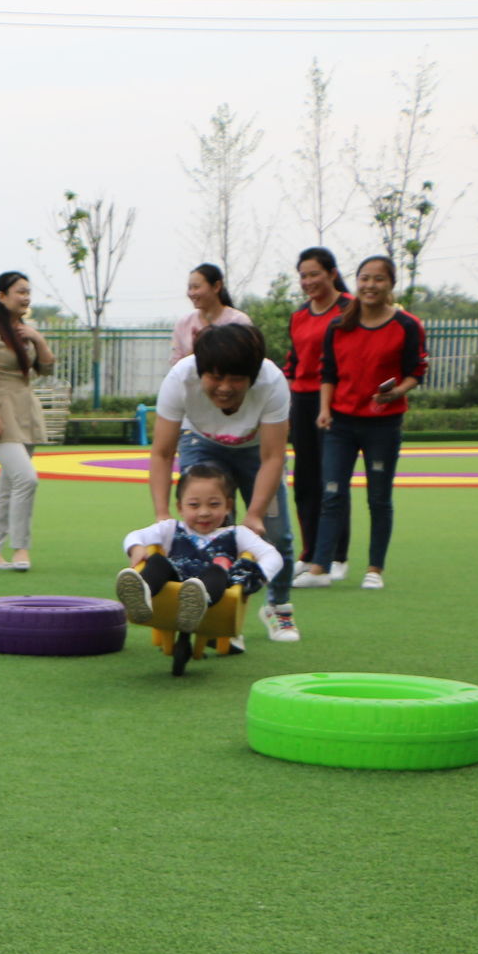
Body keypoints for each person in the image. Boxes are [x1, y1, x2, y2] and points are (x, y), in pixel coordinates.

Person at [147, 322, 299, 643]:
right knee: (209, 529)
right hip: (201, 442)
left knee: (277, 533)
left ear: (253, 376)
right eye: (215, 377)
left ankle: (278, 607)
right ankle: (219, 614)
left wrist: (255, 514)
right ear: (201, 370)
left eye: (236, 379)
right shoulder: (180, 379)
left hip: (256, 449)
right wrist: (162, 511)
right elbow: (161, 453)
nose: (225, 387)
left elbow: (273, 457)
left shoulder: (272, 382)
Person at [302, 254, 425, 591]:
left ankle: (374, 568)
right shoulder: (339, 325)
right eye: (365, 278)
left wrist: (396, 391)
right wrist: (324, 410)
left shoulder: (407, 325)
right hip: (340, 423)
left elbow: (416, 371)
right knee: (332, 494)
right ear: (356, 282)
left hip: (383, 425)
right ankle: (320, 568)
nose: (370, 286)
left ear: (390, 284)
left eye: (378, 279)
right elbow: (328, 372)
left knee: (378, 497)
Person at [116, 462, 284, 676]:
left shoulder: (238, 534)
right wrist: (136, 548)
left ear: (228, 506)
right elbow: (135, 536)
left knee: (217, 571)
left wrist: (254, 576)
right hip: (175, 581)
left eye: (214, 505)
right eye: (194, 505)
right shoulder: (171, 528)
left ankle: (197, 600)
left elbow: (272, 555)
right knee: (158, 562)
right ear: (180, 507)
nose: (204, 513)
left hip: (212, 593)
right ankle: (142, 595)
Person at [0, 271, 55, 571]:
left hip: (25, 413)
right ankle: (20, 548)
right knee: (26, 479)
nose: (26, 296)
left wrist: (38, 339)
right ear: (2, 296)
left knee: (8, 486)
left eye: (28, 291)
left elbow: (45, 369)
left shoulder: (25, 331)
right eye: (19, 291)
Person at [284, 247, 351, 578]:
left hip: (337, 402)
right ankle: (310, 552)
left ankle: (337, 556)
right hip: (302, 401)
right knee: (306, 482)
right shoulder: (299, 315)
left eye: (314, 274)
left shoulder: (350, 310)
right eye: (303, 275)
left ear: (332, 273)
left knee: (333, 481)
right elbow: (292, 362)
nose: (308, 281)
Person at [171, 264, 253, 362]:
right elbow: (176, 363)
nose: (191, 293)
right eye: (189, 288)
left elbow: (248, 360)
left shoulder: (238, 321)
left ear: (216, 287)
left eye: (196, 287)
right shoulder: (183, 324)